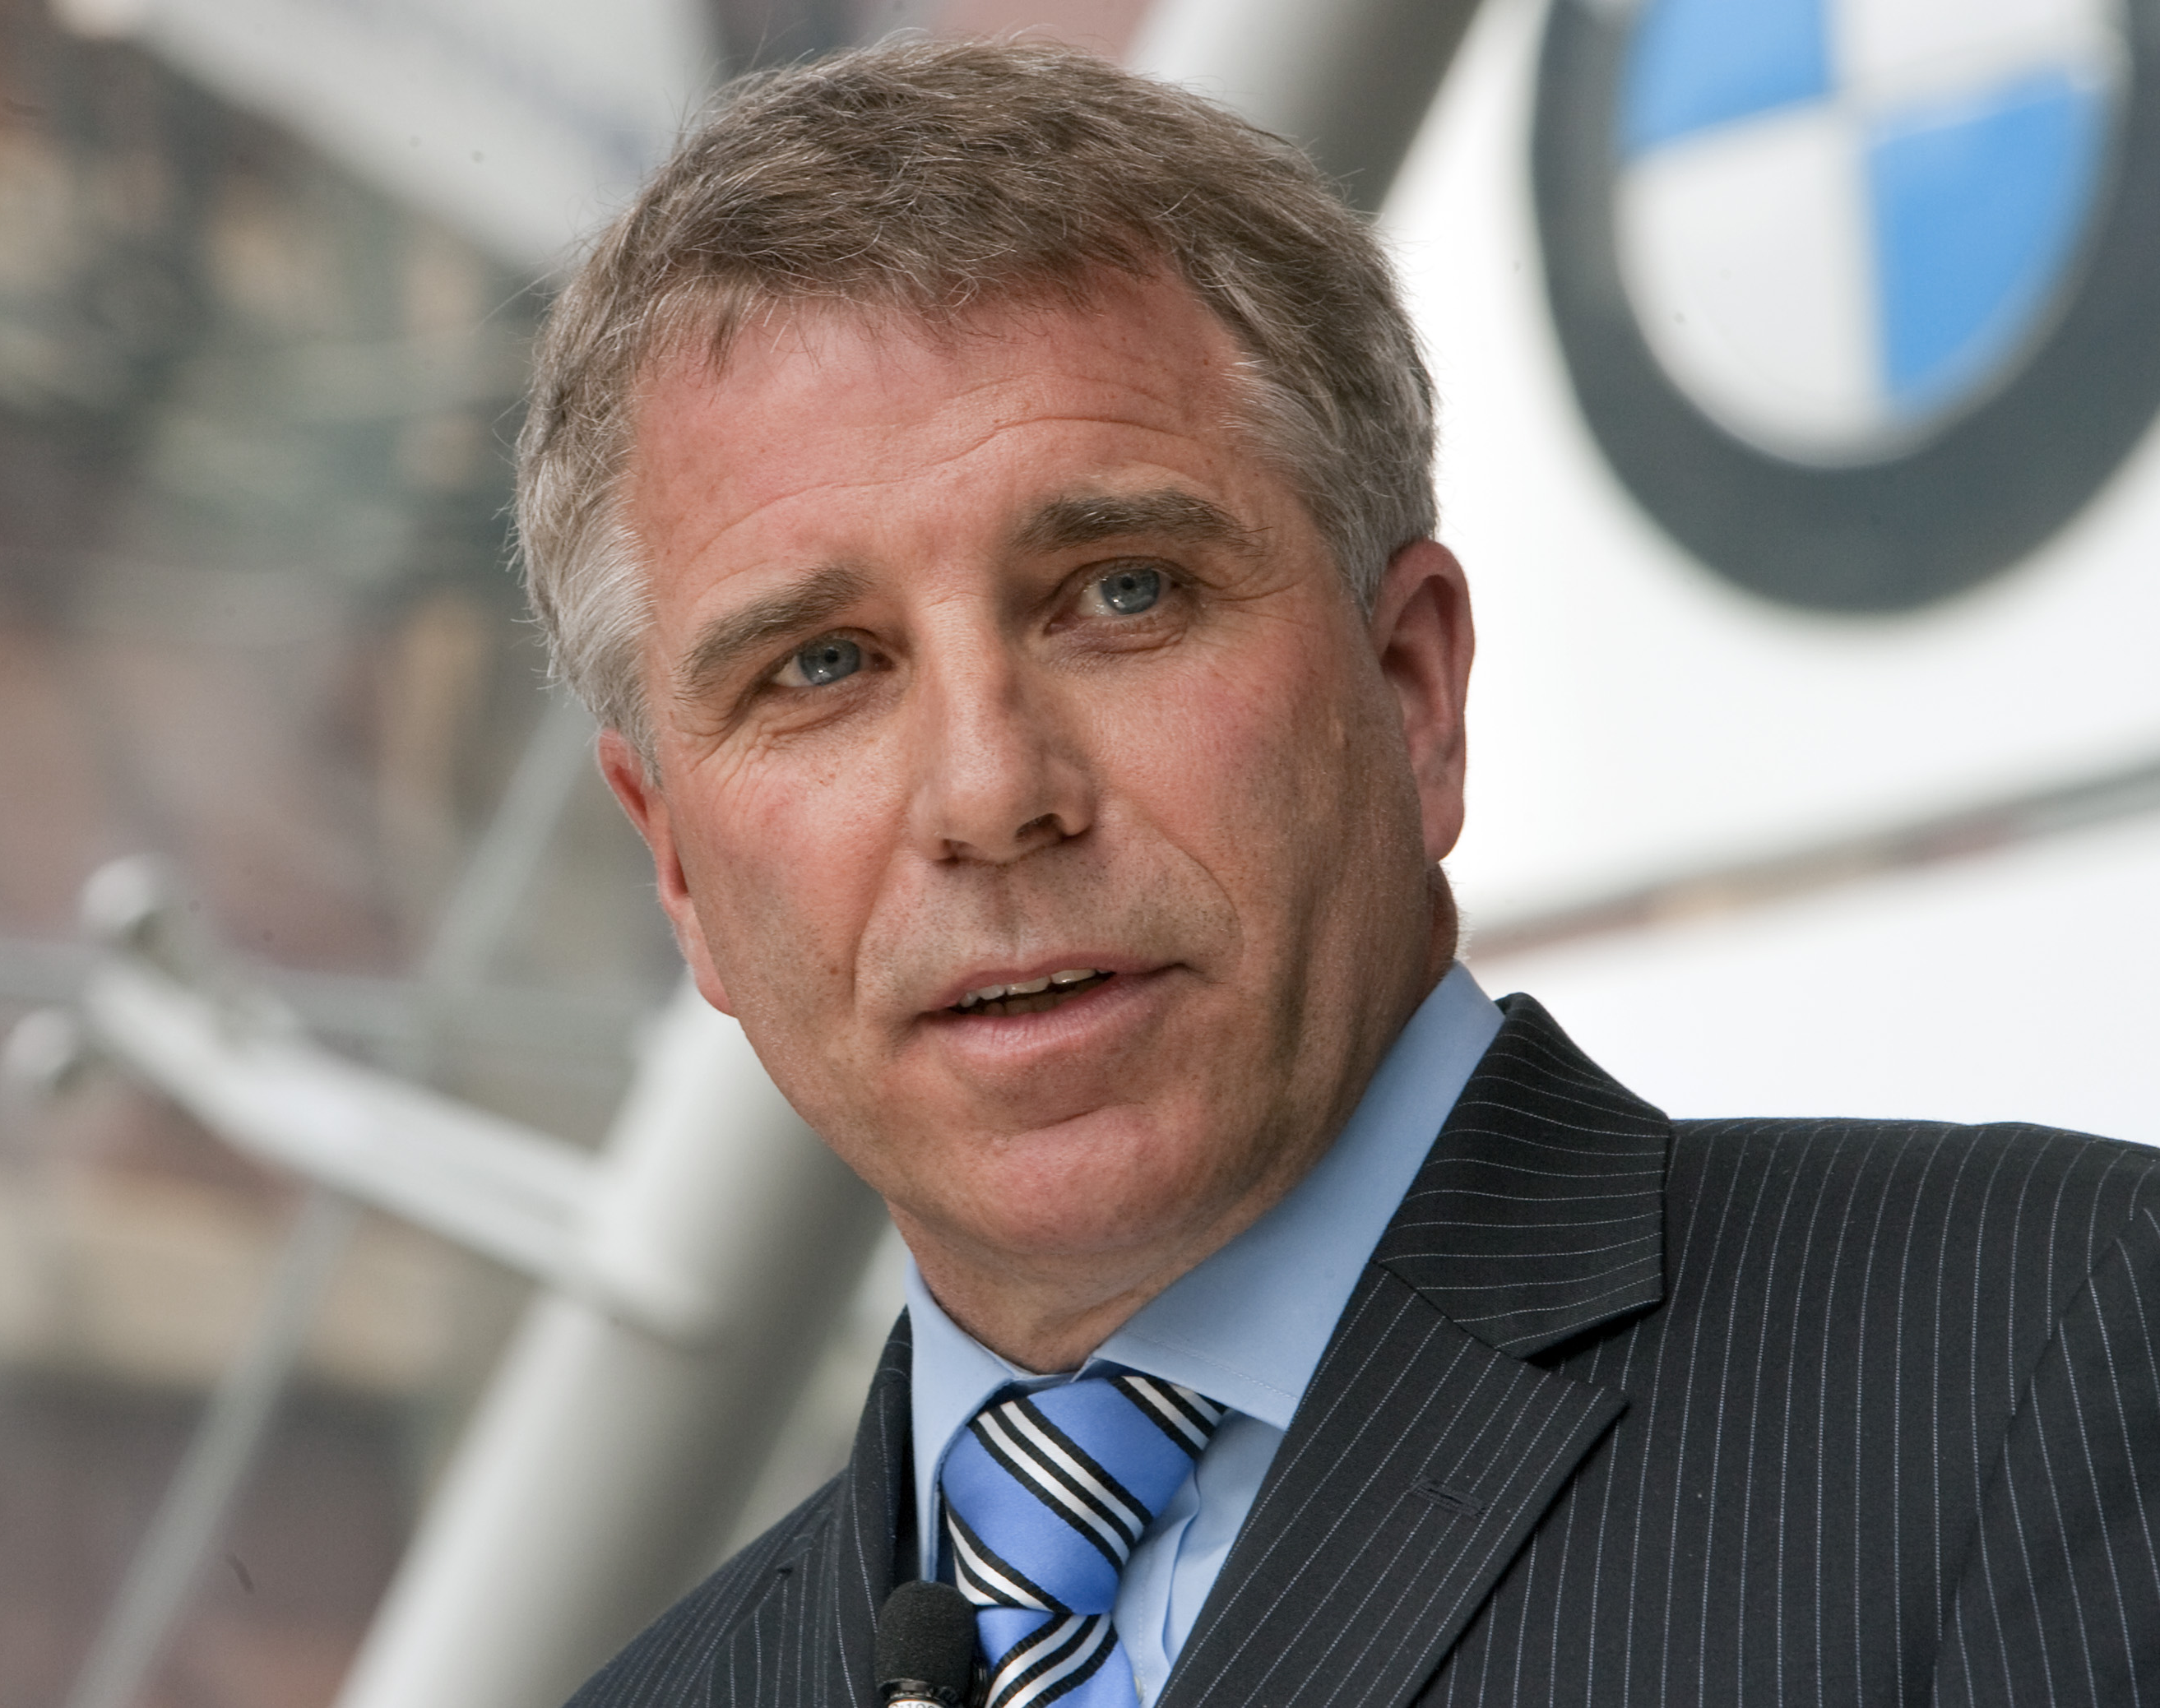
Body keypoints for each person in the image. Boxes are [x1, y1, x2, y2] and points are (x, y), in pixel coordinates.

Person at [514, 39, 2160, 1708]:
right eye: (819, 666)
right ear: (678, 866)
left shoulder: (2061, 1350)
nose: (993, 792)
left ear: (1413, 688)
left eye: (1124, 592)